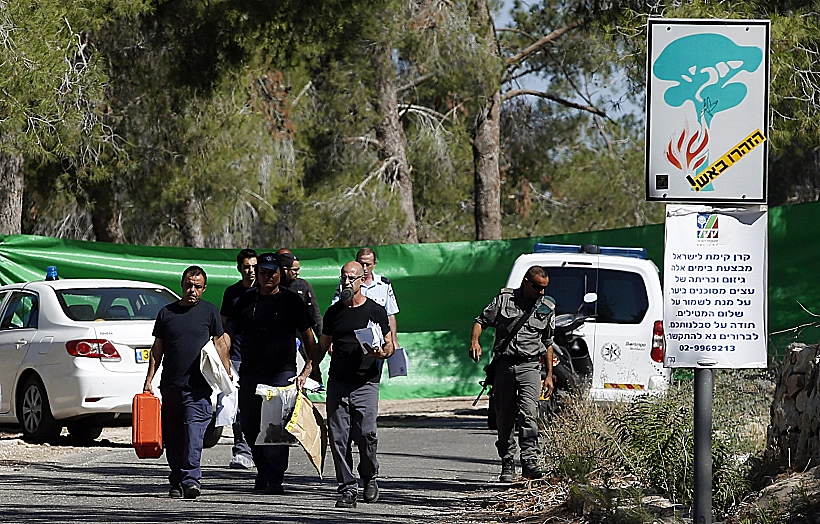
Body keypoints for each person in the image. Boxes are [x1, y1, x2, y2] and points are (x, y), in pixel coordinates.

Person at [223, 252, 316, 495]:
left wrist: (308, 369)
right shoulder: (245, 301)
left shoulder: (291, 301)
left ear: (279, 274)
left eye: (271, 273)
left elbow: (309, 338)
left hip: (281, 372)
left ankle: (275, 477)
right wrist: (223, 363)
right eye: (262, 272)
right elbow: (227, 334)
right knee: (251, 425)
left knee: (275, 429)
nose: (266, 277)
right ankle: (263, 470)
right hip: (251, 372)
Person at [143, 266, 231, 499]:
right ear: (182, 285)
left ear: (204, 288)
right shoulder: (166, 313)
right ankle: (176, 479)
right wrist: (149, 379)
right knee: (174, 436)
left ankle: (191, 479)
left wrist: (228, 372)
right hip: (171, 385)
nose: (192, 290)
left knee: (194, 432)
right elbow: (157, 348)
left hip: (199, 387)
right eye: (188, 285)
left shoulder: (210, 312)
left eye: (197, 286)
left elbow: (220, 343)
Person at [314, 261, 394, 509]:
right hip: (338, 382)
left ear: (362, 279)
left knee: (367, 434)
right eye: (343, 278)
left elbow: (390, 345)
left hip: (366, 382)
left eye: (351, 278)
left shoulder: (376, 311)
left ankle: (369, 476)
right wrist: (307, 370)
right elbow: (321, 346)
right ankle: (347, 488)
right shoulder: (333, 313)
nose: (346, 282)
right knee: (339, 438)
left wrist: (381, 352)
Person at [469, 265, 555, 482]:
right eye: (537, 287)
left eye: (544, 288)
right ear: (526, 282)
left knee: (529, 414)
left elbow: (548, 342)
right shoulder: (504, 300)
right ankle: (507, 462)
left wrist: (549, 375)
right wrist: (475, 341)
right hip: (505, 366)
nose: (541, 292)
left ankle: (529, 461)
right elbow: (481, 321)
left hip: (530, 367)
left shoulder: (546, 307)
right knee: (505, 418)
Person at [219, 248, 257, 470]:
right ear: (239, 268)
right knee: (239, 407)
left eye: (254, 266)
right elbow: (225, 328)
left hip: (263, 359)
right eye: (246, 267)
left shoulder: (267, 292)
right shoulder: (232, 293)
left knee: (262, 407)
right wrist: (225, 360)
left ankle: (262, 453)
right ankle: (242, 451)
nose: (250, 271)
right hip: (238, 358)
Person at [331, 247, 400, 349]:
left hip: (376, 343)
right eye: (361, 263)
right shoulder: (345, 284)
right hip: (350, 341)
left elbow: (390, 314)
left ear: (374, 264)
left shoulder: (383, 285)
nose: (364, 268)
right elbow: (335, 312)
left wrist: (393, 340)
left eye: (368, 264)